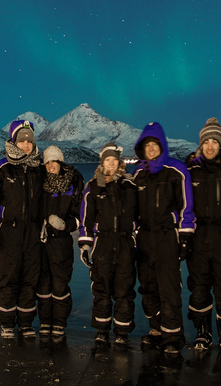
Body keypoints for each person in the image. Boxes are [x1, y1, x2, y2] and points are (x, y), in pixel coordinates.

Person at [132, 122, 195, 356]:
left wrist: (185, 236)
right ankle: (156, 328)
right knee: (148, 286)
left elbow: (186, 206)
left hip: (168, 235)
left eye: (154, 144)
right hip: (145, 237)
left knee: (168, 287)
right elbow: (131, 209)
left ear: (162, 146)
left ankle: (173, 334)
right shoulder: (138, 175)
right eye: (146, 145)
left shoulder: (177, 170)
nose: (150, 149)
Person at [184, 118, 221, 356]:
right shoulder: (191, 169)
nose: (210, 146)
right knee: (199, 287)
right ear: (201, 145)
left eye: (214, 141)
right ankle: (203, 331)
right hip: (198, 236)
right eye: (206, 141)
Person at [0, 120, 43, 338]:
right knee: (8, 278)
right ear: (14, 142)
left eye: (30, 141)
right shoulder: (1, 168)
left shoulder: (39, 169)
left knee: (29, 279)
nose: (26, 145)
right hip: (9, 232)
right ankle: (7, 323)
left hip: (33, 233)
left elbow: (51, 196)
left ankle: (26, 323)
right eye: (22, 140)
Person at [78, 142, 138, 346]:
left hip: (124, 243)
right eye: (107, 160)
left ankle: (122, 331)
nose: (111, 164)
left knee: (124, 288)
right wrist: (85, 244)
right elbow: (86, 217)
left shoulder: (129, 185)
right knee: (101, 289)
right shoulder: (94, 186)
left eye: (114, 160)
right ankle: (102, 329)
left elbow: (137, 214)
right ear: (102, 163)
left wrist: (136, 238)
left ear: (119, 163)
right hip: (102, 243)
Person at [36, 145, 84, 340]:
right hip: (41, 241)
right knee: (43, 284)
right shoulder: (40, 182)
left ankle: (60, 323)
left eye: (53, 161)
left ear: (60, 162)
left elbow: (81, 214)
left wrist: (66, 224)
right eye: (47, 162)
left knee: (60, 284)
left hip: (62, 242)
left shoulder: (73, 182)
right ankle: (45, 321)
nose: (50, 166)